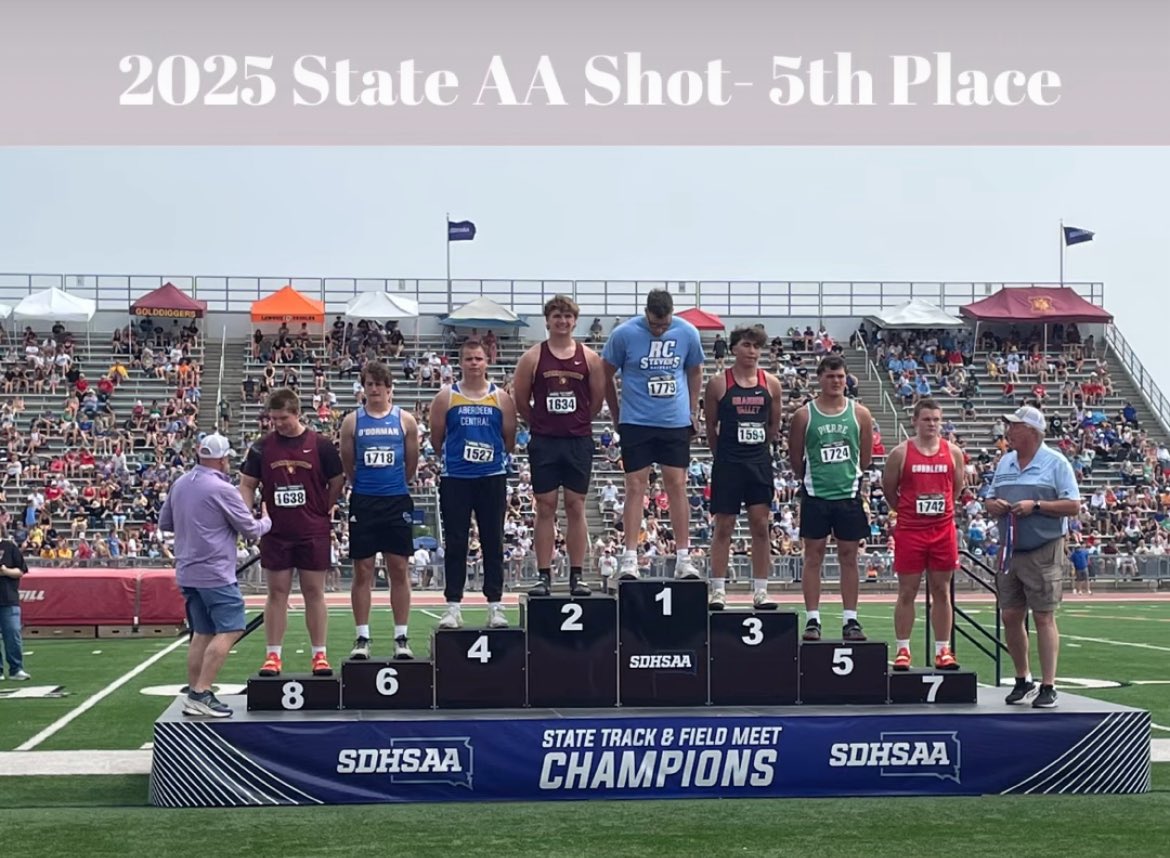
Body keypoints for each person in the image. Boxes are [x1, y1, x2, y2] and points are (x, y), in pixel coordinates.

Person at [159, 433, 272, 718]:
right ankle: (201, 692)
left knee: (202, 632)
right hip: (215, 571)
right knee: (232, 628)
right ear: (222, 459)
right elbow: (251, 529)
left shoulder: (181, 483)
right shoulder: (221, 489)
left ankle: (194, 689)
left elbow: (166, 522)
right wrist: (267, 518)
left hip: (187, 569)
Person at [240, 388, 346, 678]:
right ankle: (273, 656)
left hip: (312, 530)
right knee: (277, 593)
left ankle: (319, 656)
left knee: (315, 593)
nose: (278, 424)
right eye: (273, 419)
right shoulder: (262, 447)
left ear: (298, 413)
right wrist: (246, 516)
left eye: (283, 418)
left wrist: (326, 505)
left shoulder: (321, 445)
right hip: (276, 532)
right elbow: (247, 483)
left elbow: (337, 479)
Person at [602, 288, 705, 580]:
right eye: (654, 325)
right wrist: (615, 411)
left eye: (665, 325)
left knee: (677, 486)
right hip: (637, 421)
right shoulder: (624, 334)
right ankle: (630, 558)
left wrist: (692, 411)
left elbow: (695, 370)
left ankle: (684, 558)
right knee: (635, 485)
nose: (660, 330)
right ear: (645, 313)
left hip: (674, 421)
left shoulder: (687, 333)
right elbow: (604, 371)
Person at [985, 405, 1080, 709]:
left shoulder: (1056, 462)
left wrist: (1036, 506)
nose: (1009, 431)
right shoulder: (1005, 462)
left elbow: (1073, 504)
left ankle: (1049, 684)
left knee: (1043, 615)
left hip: (1043, 546)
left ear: (1032, 432)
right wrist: (994, 505)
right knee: (1010, 614)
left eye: (1015, 426)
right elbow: (988, 496)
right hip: (1010, 546)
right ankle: (1022, 678)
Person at [513, 295, 606, 598]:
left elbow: (596, 402)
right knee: (546, 508)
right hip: (545, 442)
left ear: (575, 321)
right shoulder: (533, 357)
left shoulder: (589, 358)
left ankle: (577, 575)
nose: (562, 321)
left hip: (578, 440)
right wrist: (542, 422)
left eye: (567, 317)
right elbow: (521, 400)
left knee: (576, 506)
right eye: (557, 316)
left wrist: (575, 422)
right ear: (548, 320)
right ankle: (544, 575)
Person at [429, 338, 517, 630]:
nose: (474, 363)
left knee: (493, 541)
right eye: (468, 359)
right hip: (456, 478)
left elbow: (509, 439)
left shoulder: (501, 398)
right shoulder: (446, 397)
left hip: (491, 477)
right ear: (460, 362)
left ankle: (495, 605)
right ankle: (453, 606)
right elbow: (436, 439)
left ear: (487, 361)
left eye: (478, 358)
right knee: (456, 543)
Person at [788, 354, 873, 642]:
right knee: (813, 557)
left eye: (840, 376)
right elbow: (795, 459)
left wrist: (849, 476)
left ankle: (851, 619)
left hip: (848, 495)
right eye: (830, 376)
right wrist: (814, 478)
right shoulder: (804, 415)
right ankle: (813, 619)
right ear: (819, 379)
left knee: (849, 557)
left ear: (846, 378)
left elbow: (865, 457)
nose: (836, 381)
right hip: (816, 495)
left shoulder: (859, 414)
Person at [338, 361, 420, 661]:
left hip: (396, 500)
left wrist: (397, 484)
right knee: (363, 570)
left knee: (399, 568)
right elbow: (348, 463)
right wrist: (361, 485)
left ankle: (401, 636)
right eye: (368, 384)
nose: (373, 389)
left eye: (378, 384)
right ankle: (362, 637)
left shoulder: (405, 421)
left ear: (389, 388)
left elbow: (411, 463)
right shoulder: (352, 422)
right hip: (364, 501)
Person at [881, 399, 965, 672]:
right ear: (915, 421)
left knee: (942, 591)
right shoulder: (900, 454)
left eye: (936, 420)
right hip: (910, 530)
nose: (932, 424)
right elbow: (889, 488)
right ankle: (903, 649)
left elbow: (957, 488)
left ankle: (943, 650)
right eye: (926, 419)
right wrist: (907, 512)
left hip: (942, 530)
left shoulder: (952, 453)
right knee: (907, 591)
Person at [703, 325, 784, 610]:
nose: (752, 352)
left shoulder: (771, 384)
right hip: (728, 462)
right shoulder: (718, 384)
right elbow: (710, 426)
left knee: (761, 525)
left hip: (758, 463)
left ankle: (761, 590)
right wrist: (722, 454)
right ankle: (718, 590)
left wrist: (759, 449)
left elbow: (774, 425)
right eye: (747, 345)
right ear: (734, 348)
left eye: (756, 347)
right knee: (723, 525)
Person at [0, 526, 30, 681]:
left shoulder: (10, 547)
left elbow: (21, 571)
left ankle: (16, 668)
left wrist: (5, 571)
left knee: (12, 633)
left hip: (8, 597)